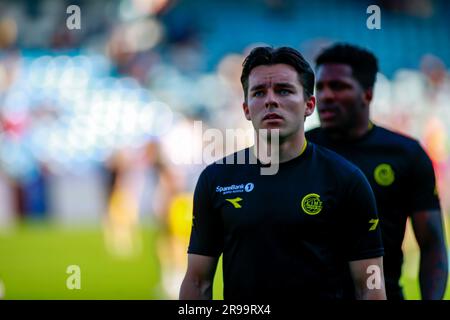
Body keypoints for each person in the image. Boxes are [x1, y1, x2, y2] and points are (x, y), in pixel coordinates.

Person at [179, 46, 386, 300]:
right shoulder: (216, 180)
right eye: (259, 92)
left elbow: (370, 287)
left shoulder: (346, 180)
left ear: (309, 105)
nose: (270, 100)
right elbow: (198, 282)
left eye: (284, 90)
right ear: (246, 109)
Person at [306, 43, 448, 300]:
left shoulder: (406, 154)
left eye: (339, 86)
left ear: (368, 94)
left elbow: (432, 244)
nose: (325, 96)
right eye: (321, 87)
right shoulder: (301, 151)